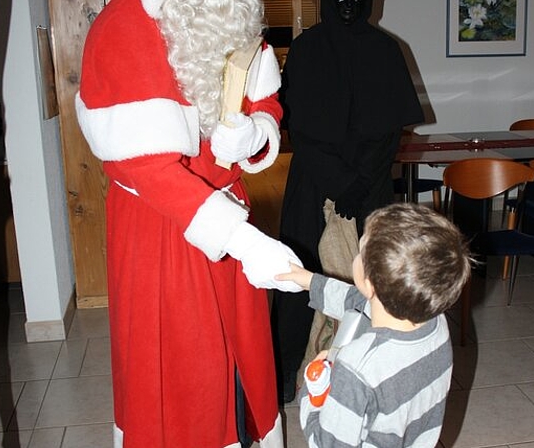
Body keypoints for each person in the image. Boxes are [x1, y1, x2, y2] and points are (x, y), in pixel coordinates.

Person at [75, 1, 302, 447]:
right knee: (185, 376)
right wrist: (243, 240)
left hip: (231, 212)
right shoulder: (123, 25)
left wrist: (254, 131)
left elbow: (266, 100)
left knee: (243, 362)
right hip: (161, 231)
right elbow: (147, 171)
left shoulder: (233, 10)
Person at [271, 0, 425, 403]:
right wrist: (342, 183)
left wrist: (358, 184)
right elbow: (300, 130)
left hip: (369, 189)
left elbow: (390, 131)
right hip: (313, 185)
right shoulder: (306, 49)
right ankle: (288, 374)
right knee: (298, 278)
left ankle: (372, 373)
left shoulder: (385, 50)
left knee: (373, 279)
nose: (346, 5)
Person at [276, 203, 472, 447]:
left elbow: (328, 443)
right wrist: (310, 282)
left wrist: (314, 390)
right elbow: (359, 300)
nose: (356, 256)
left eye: (360, 251)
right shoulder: (435, 323)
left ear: (368, 283)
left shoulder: (356, 366)